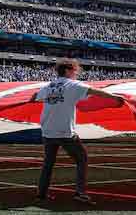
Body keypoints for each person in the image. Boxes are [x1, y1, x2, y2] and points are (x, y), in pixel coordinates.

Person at [30, 58, 125, 204]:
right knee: (82, 158)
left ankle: (41, 194)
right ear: (68, 70)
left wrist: (51, 100)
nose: (76, 74)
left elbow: (33, 98)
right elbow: (94, 91)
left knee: (48, 163)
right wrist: (114, 97)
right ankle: (79, 192)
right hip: (64, 131)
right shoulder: (72, 84)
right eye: (75, 71)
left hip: (48, 130)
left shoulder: (49, 86)